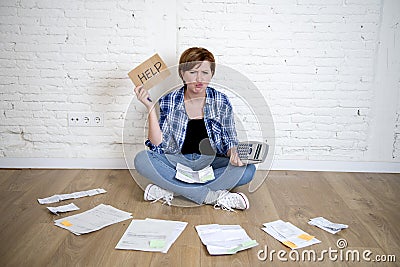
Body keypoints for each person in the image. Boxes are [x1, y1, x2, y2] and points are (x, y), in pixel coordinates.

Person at [134, 47, 256, 211]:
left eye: (205, 72)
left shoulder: (221, 101)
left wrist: (234, 152)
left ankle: (173, 189)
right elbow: (159, 145)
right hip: (177, 162)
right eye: (192, 72)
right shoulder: (169, 100)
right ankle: (210, 196)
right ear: (182, 74)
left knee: (248, 170)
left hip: (210, 164)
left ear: (211, 74)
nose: (199, 79)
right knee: (142, 159)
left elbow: (229, 141)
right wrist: (150, 107)